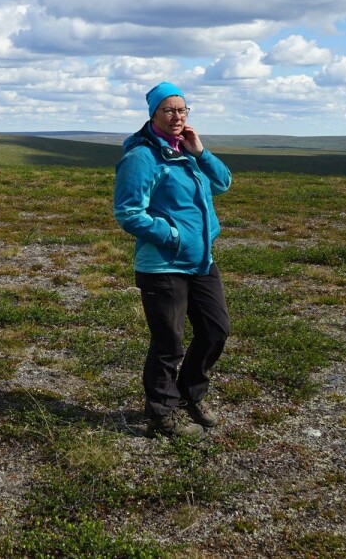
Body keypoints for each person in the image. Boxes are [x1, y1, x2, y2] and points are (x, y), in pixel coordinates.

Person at [113, 82, 233, 439]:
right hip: (163, 266)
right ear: (153, 114)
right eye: (169, 109)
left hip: (201, 261)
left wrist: (201, 152)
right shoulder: (142, 157)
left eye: (182, 109)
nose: (177, 116)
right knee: (169, 343)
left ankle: (190, 395)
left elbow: (223, 184)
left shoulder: (185, 151)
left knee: (215, 330)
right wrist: (174, 236)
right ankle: (161, 412)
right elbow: (128, 212)